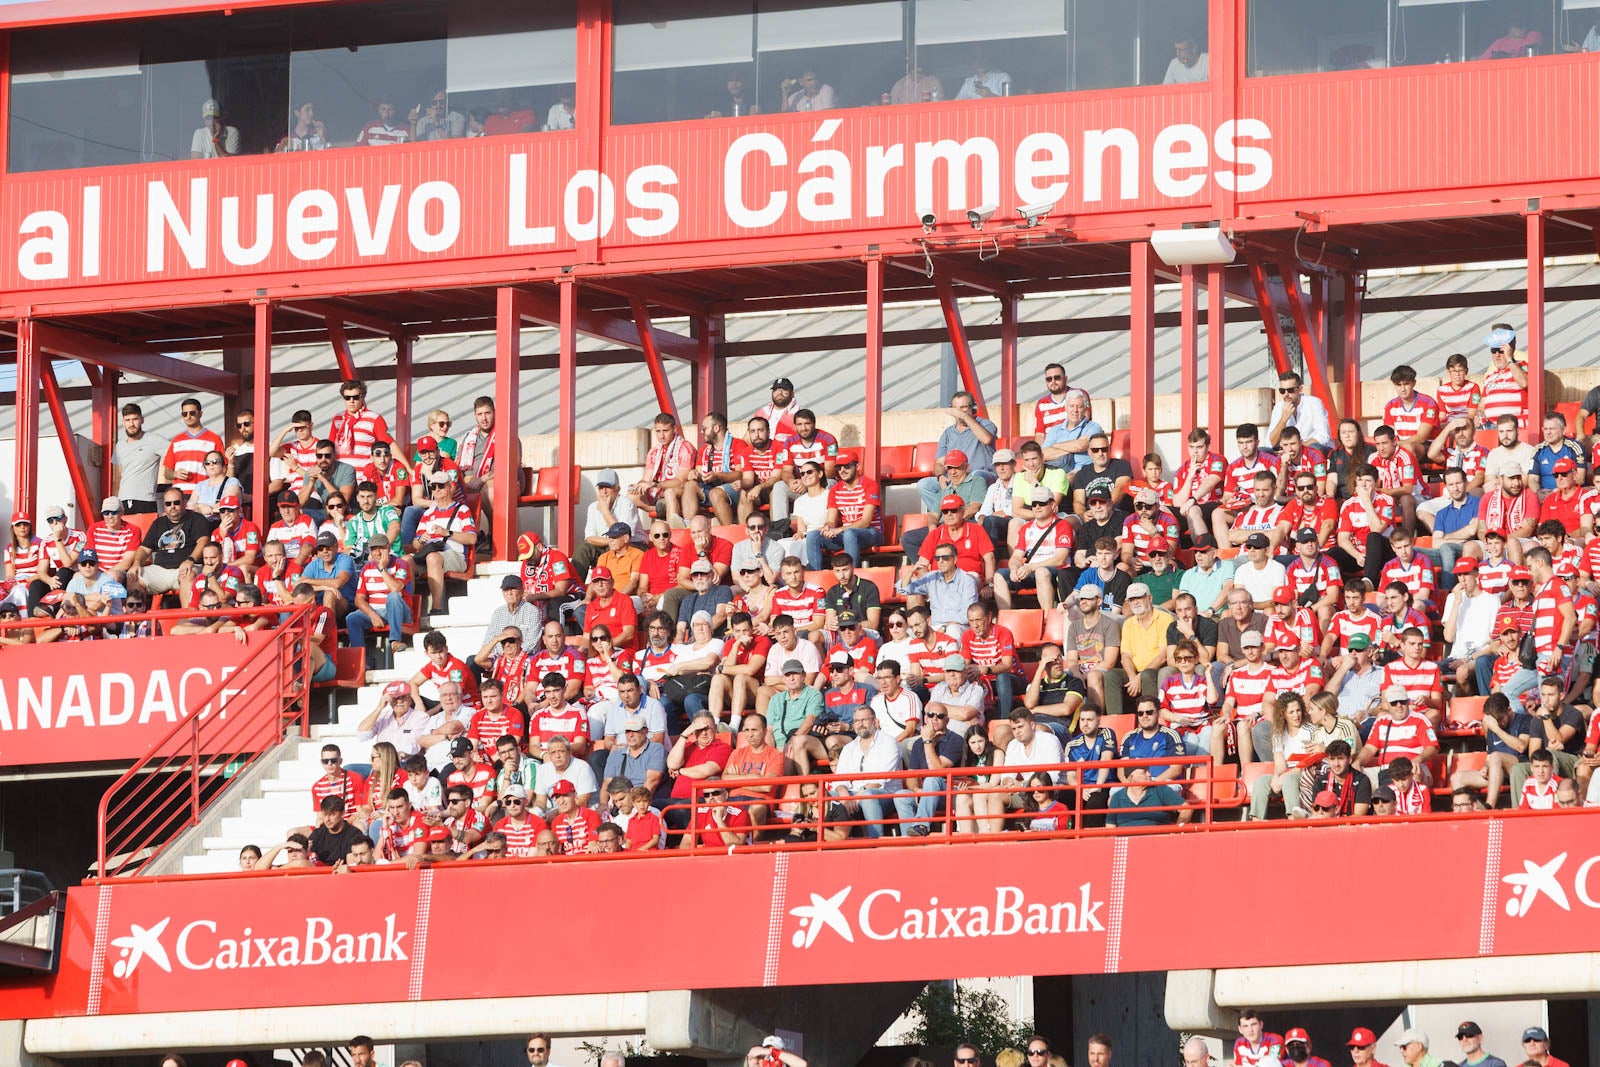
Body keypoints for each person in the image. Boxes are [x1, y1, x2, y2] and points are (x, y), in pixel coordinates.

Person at [830, 706, 903, 838]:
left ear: (875, 721)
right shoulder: (848, 748)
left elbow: (879, 781)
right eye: (857, 721)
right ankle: (831, 841)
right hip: (853, 794)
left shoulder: (889, 742)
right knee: (828, 795)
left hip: (885, 795)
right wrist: (845, 795)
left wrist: (858, 796)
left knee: (868, 795)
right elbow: (839, 779)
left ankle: (876, 841)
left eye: (864, 720)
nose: (860, 724)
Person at [1268, 371, 1333, 451]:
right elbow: (1271, 443)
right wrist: (1283, 420)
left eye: (1290, 390)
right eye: (1282, 391)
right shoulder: (1279, 407)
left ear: (1300, 389)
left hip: (1312, 450)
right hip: (1289, 451)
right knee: (1263, 450)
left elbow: (1323, 436)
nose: (1286, 394)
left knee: (1316, 447)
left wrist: (1298, 447)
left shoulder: (1314, 403)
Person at [1106, 764, 1188, 827]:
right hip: (1127, 843)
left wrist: (1177, 831)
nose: (1149, 774)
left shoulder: (1160, 789)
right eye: (1144, 772)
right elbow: (1110, 827)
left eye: (1148, 771)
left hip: (1157, 842)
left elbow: (1186, 809)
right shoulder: (1117, 797)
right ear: (1131, 777)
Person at [1479, 19, 1543, 60]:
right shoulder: (1499, 43)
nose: (1520, 28)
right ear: (1508, 27)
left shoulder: (1532, 35)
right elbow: (1482, 60)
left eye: (1522, 24)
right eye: (1516, 24)